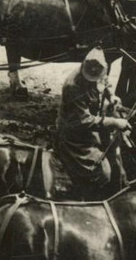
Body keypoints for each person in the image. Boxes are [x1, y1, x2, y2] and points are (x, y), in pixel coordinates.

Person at [55, 50, 130, 195]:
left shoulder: (98, 70)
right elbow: (85, 121)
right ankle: (92, 199)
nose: (94, 79)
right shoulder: (73, 86)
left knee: (117, 156)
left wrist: (111, 96)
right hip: (75, 134)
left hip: (93, 125)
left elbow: (105, 83)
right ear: (84, 67)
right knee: (102, 173)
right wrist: (115, 122)